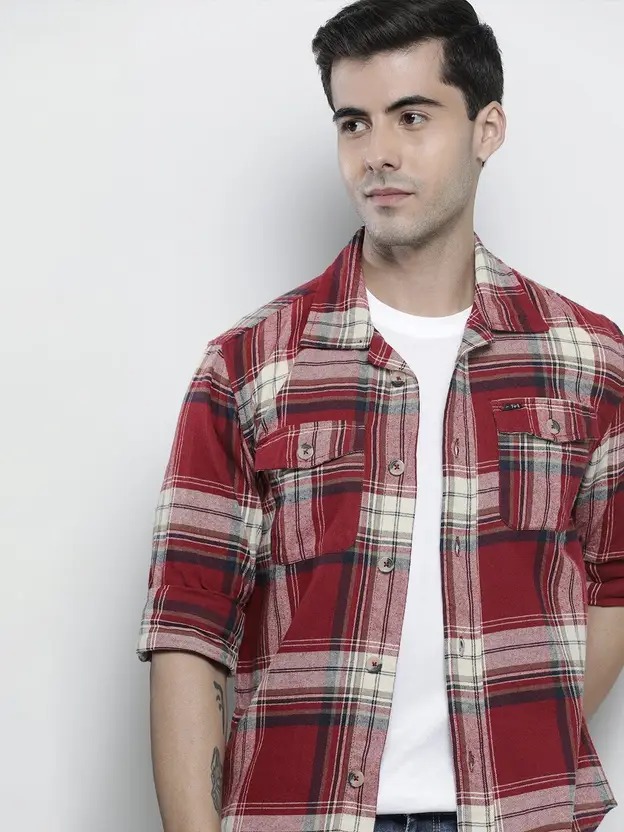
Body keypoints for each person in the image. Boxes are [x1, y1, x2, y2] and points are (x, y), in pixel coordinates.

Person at [135, 1, 624, 830]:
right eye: (354, 123)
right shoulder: (248, 365)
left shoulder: (588, 360)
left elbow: (614, 581)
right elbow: (190, 624)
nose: (379, 154)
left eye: (413, 117)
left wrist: (523, 740)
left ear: (487, 128)